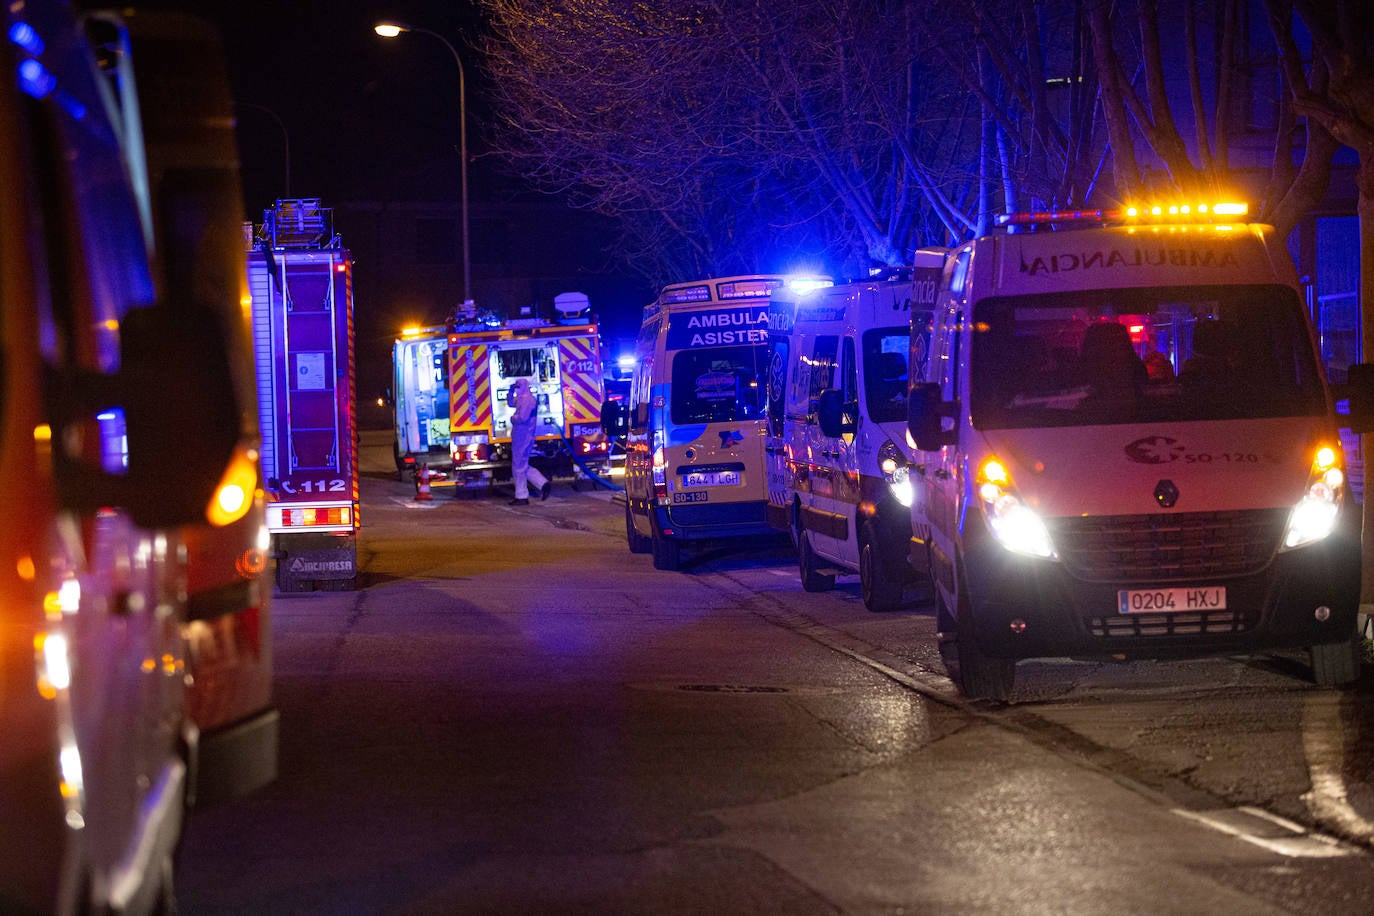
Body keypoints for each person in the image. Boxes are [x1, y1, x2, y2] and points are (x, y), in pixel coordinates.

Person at [507, 378, 550, 505]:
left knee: (519, 466)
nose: (517, 389)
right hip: (521, 436)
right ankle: (543, 484)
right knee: (521, 465)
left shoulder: (528, 400)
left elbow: (522, 418)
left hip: (524, 436)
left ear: (524, 386)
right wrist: (510, 392)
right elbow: (510, 402)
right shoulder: (522, 398)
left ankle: (521, 496)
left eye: (517, 387)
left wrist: (512, 418)